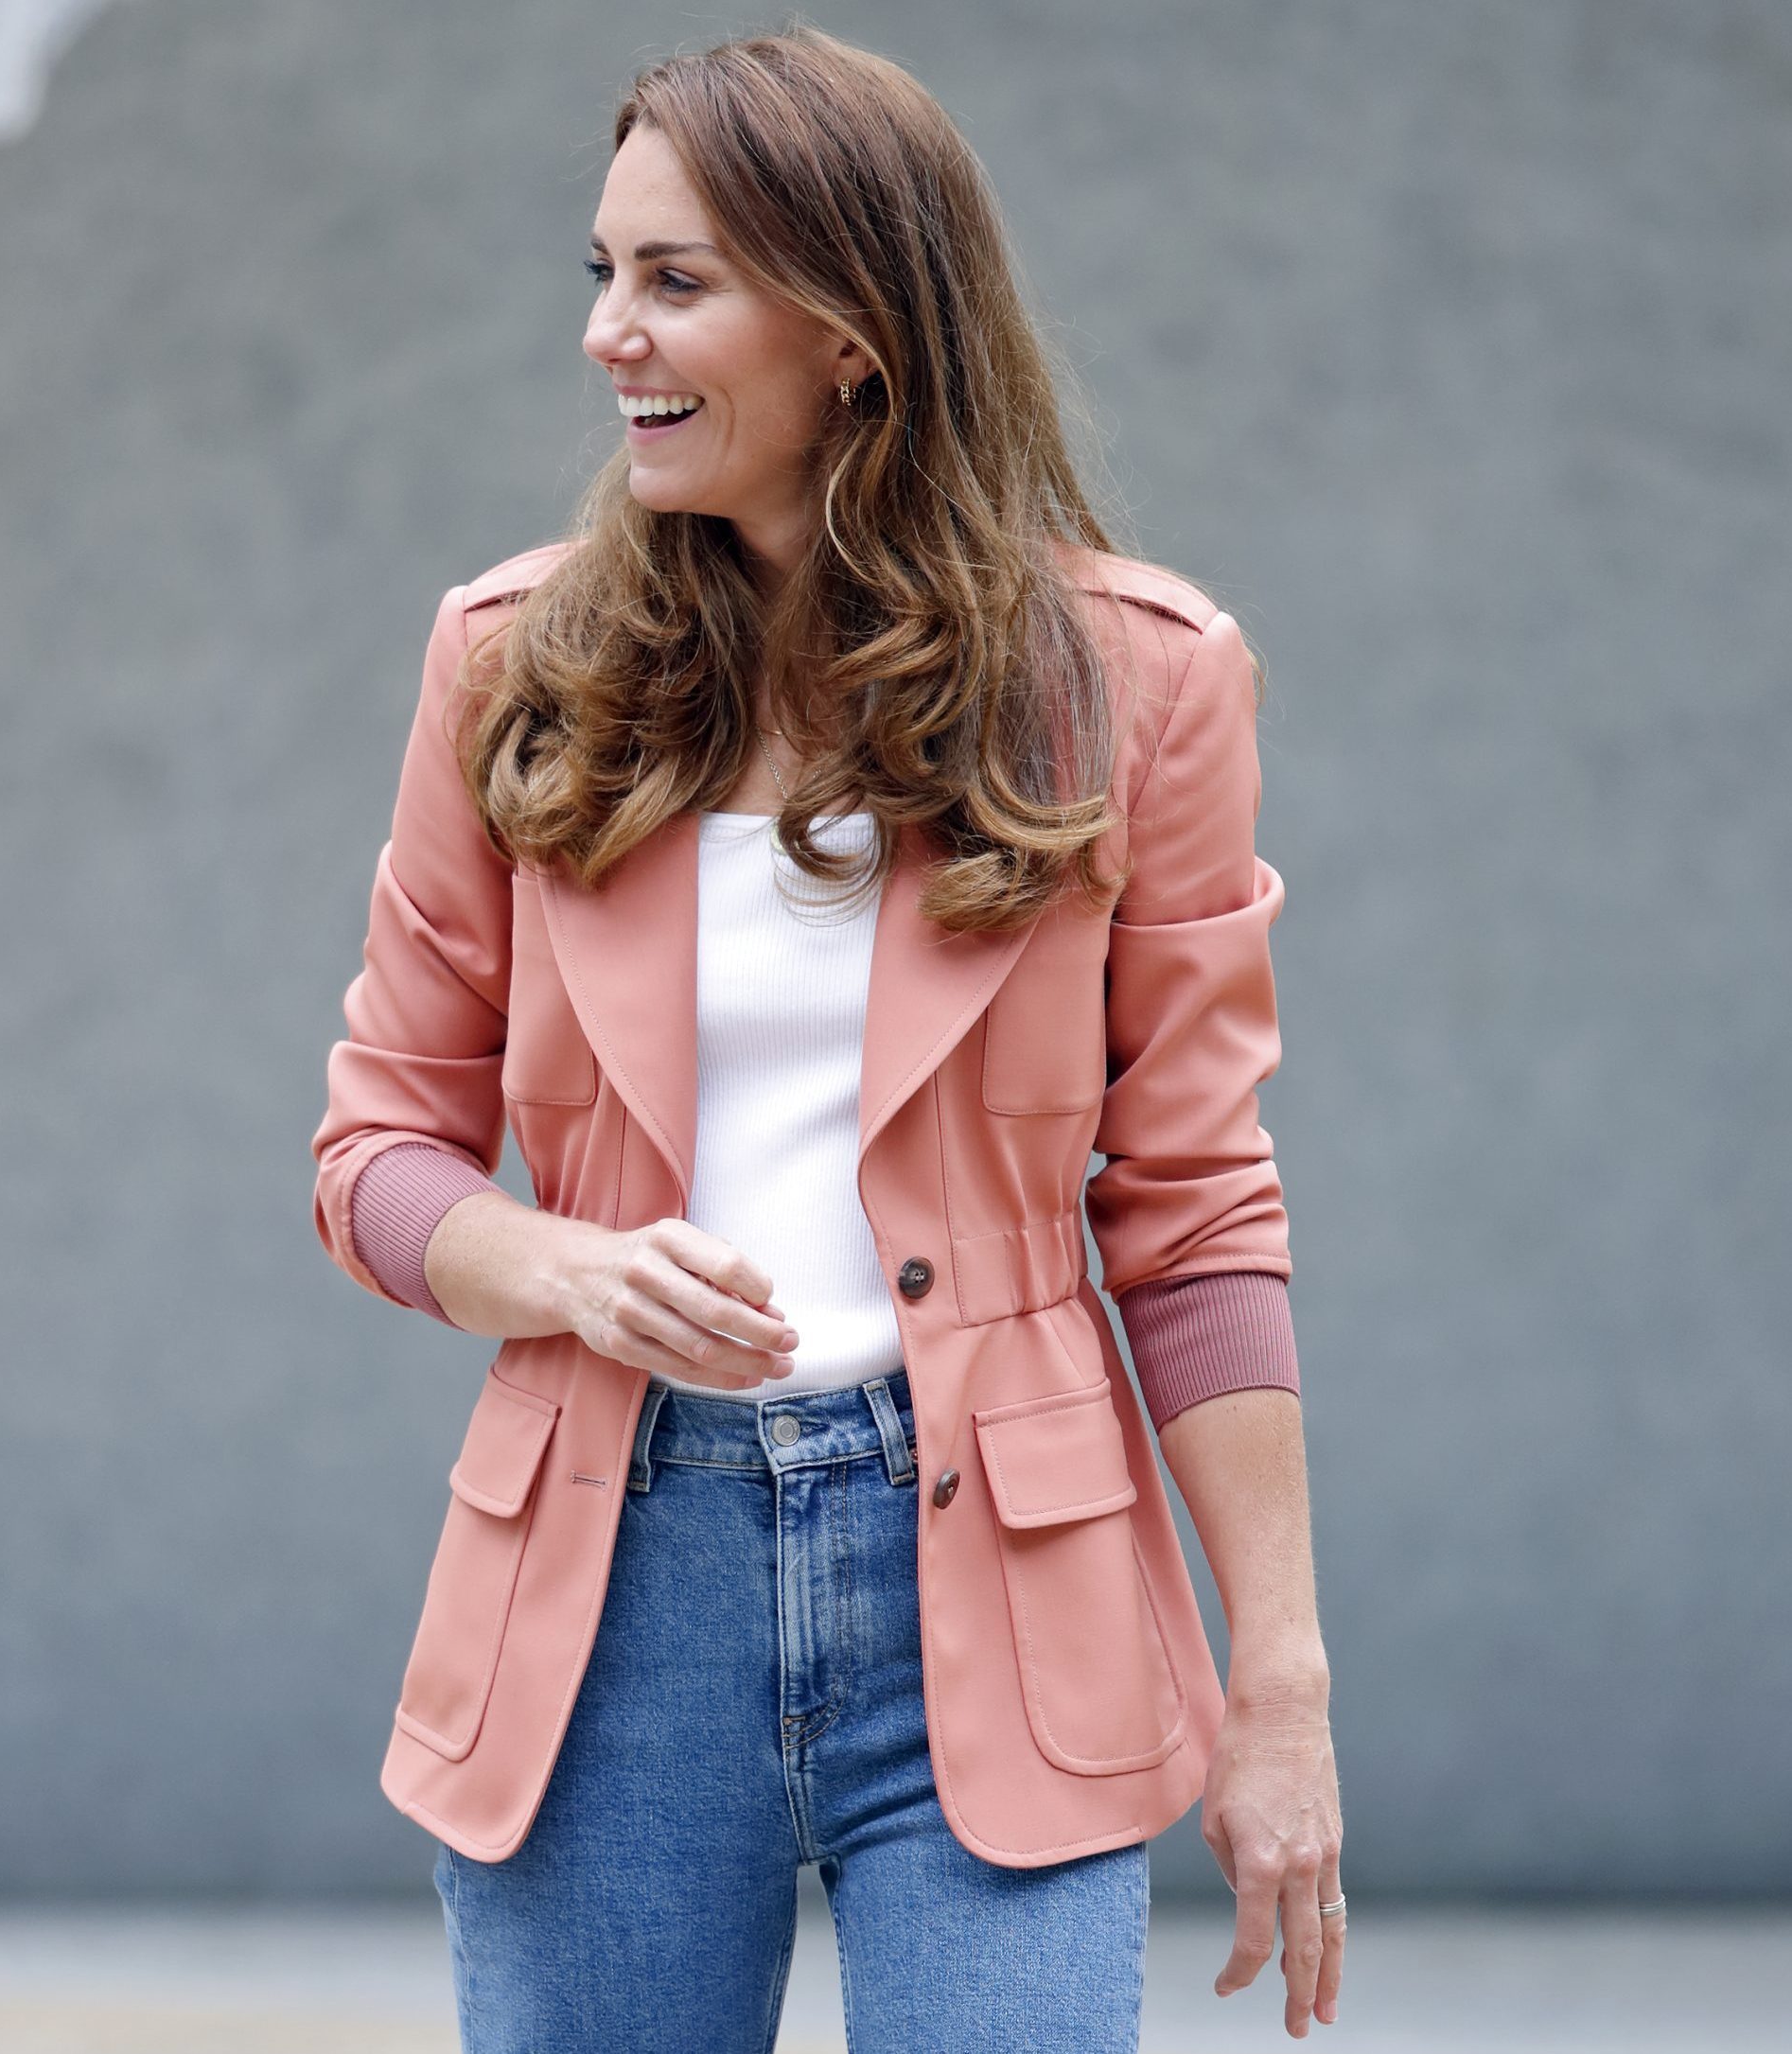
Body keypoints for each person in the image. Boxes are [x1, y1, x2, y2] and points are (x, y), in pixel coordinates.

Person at [310, 25, 1344, 2051]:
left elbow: (1199, 1213)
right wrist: (571, 1270)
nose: (611, 334)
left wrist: (1279, 1677)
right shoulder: (511, 663)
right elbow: (375, 1156)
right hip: (610, 1592)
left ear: (857, 330)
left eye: (675, 281)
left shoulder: (1140, 684)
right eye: (600, 275)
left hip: (998, 1579)